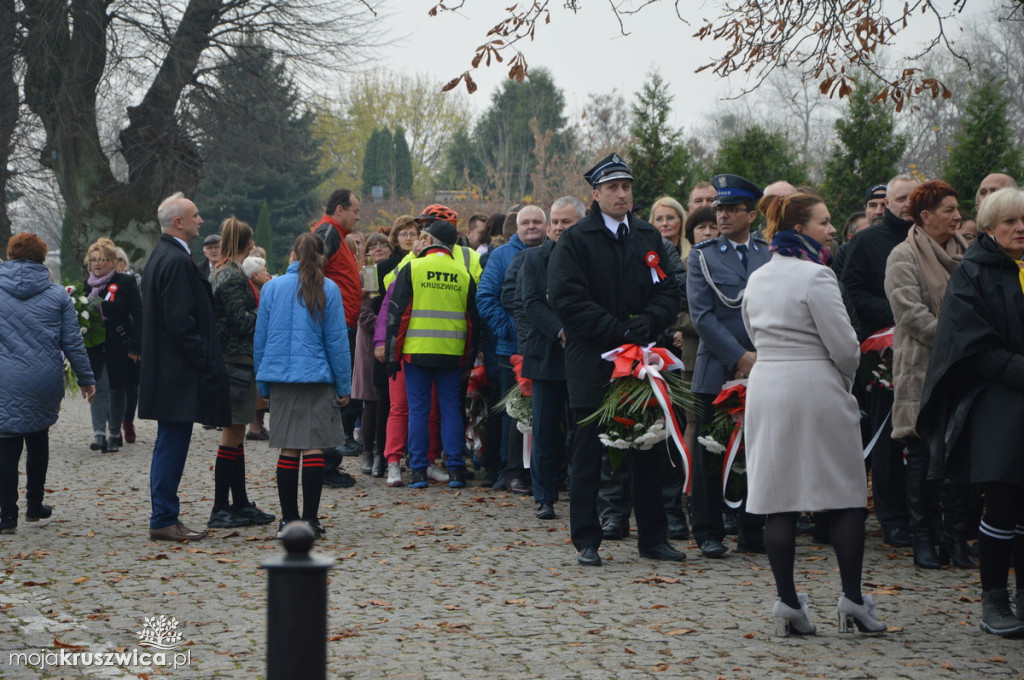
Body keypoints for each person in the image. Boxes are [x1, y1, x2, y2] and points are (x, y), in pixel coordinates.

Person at [743, 192, 886, 637]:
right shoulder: (818, 275)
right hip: (816, 384)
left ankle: (788, 602)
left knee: (777, 499)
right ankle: (853, 600)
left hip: (767, 384)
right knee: (844, 494)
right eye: (824, 223)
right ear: (800, 230)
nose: (831, 230)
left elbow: (751, 329)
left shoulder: (759, 277)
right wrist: (843, 382)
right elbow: (845, 347)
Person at [548, 152, 684, 567]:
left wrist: (647, 323)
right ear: (596, 194)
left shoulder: (646, 236)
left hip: (641, 358)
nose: (621, 194)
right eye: (612, 188)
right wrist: (616, 329)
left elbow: (668, 289)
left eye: (626, 187)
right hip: (594, 359)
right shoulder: (577, 239)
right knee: (589, 452)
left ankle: (653, 538)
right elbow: (567, 298)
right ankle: (587, 539)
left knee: (647, 448)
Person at [917, 187, 1024, 637]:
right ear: (988, 228)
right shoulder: (973, 273)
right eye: (1010, 223)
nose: (1020, 229)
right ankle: (994, 600)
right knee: (1003, 502)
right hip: (998, 398)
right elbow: (969, 343)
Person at [883, 180, 971, 570]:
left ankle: (954, 538)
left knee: (956, 457)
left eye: (957, 209)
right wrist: (958, 341)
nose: (957, 216)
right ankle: (923, 537)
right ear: (926, 216)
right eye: (949, 210)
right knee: (921, 455)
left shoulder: (969, 255)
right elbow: (910, 313)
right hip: (922, 368)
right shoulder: (903, 255)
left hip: (964, 370)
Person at [139, 192, 231, 542]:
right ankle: (163, 517)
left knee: (169, 443)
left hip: (168, 370)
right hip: (176, 373)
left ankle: (164, 514)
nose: (201, 220)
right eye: (195, 215)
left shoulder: (163, 256)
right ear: (178, 222)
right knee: (171, 445)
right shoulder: (175, 261)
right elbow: (180, 323)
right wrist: (206, 360)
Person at [686, 174, 769, 558]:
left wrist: (758, 357)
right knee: (710, 452)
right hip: (717, 369)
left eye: (732, 209)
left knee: (758, 449)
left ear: (751, 214)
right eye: (719, 209)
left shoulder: (768, 254)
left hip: (764, 366)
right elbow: (702, 317)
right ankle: (708, 530)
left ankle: (752, 528)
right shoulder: (702, 255)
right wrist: (740, 357)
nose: (722, 216)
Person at [840, 173, 920, 547]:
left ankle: (922, 513)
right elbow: (853, 291)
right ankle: (893, 519)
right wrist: (900, 313)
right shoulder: (868, 242)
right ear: (886, 203)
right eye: (900, 198)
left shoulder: (928, 240)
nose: (907, 205)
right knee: (888, 440)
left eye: (913, 198)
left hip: (923, 350)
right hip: (882, 351)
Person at [254, 233, 352, 538]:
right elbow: (337, 341)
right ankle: (310, 519)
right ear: (321, 257)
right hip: (317, 377)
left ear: (292, 256)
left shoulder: (271, 287)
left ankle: (288, 520)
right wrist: (343, 385)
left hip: (282, 377)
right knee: (313, 448)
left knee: (288, 448)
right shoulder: (330, 289)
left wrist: (263, 383)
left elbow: (261, 340)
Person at [0, 233, 97, 534]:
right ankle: (34, 505)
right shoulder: (57, 296)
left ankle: (6, 516)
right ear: (42, 257)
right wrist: (86, 378)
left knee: (6, 445)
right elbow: (72, 342)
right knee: (38, 437)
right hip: (43, 377)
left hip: (4, 377)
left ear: (11, 254)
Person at [385, 220, 477, 489]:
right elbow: (473, 323)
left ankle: (417, 472)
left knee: (418, 411)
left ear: (429, 240)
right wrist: (468, 361)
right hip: (451, 354)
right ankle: (457, 470)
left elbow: (398, 316)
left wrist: (393, 356)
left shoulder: (413, 268)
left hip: (417, 353)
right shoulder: (463, 273)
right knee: (450, 410)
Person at [206, 217, 275, 529]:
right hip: (235, 362)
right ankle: (222, 508)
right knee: (231, 436)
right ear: (250, 245)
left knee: (236, 438)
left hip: (236, 363)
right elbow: (242, 322)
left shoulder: (223, 271)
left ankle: (240, 503)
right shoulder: (232, 276)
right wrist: (268, 305)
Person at [519, 196, 585, 519]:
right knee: (544, 430)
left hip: (581, 357)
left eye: (566, 222)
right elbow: (531, 303)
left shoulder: (590, 259)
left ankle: (578, 490)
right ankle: (544, 497)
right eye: (555, 222)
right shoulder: (533, 259)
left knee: (579, 429)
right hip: (546, 355)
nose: (559, 228)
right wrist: (561, 332)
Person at [478, 205, 546, 493]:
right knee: (512, 412)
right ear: (516, 228)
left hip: (546, 347)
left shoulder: (554, 251)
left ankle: (542, 470)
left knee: (543, 411)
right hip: (511, 348)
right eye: (526, 222)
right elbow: (486, 298)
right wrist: (510, 328)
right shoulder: (501, 256)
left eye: (537, 222)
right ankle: (510, 470)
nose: (532, 226)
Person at [312, 189, 362, 481]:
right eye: (355, 210)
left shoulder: (336, 234)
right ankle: (326, 465)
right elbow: (311, 272)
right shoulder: (328, 232)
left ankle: (328, 462)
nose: (358, 216)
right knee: (333, 396)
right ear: (340, 209)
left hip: (340, 323)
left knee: (336, 395)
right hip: (335, 326)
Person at [82, 237, 142, 454]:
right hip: (95, 347)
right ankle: (99, 434)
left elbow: (138, 315)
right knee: (98, 387)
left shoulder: (124, 283)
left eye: (103, 260)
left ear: (113, 262)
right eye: (94, 259)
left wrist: (136, 347)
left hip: (120, 344)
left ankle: (115, 434)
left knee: (118, 389)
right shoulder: (85, 285)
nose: (97, 264)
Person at [352, 232, 392, 476]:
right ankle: (368, 451)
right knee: (371, 401)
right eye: (373, 246)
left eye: (383, 245)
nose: (378, 249)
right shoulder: (364, 276)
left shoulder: (396, 271)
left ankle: (387, 451)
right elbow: (363, 312)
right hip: (369, 344)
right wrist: (388, 327)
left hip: (392, 342)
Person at [114, 247, 143, 445]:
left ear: (124, 263)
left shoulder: (136, 282)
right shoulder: (100, 284)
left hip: (132, 337)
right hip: (113, 341)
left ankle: (128, 420)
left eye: (117, 259)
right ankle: (113, 425)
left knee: (132, 387)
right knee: (113, 386)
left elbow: (140, 312)